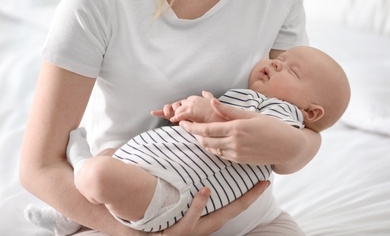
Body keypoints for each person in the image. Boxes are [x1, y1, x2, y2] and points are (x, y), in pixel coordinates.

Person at [19, 0, 334, 235]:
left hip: (254, 222)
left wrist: (293, 147)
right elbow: (39, 167)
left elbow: (302, 121)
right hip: (131, 218)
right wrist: (137, 233)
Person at [24, 46, 350, 234]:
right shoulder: (258, 100)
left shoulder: (282, 115)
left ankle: (81, 169)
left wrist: (206, 110)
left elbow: (282, 139)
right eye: (281, 58)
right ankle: (73, 212)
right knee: (108, 164)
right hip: (156, 185)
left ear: (312, 111)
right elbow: (34, 168)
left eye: (291, 71)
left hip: (175, 196)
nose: (277, 61)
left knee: (101, 173)